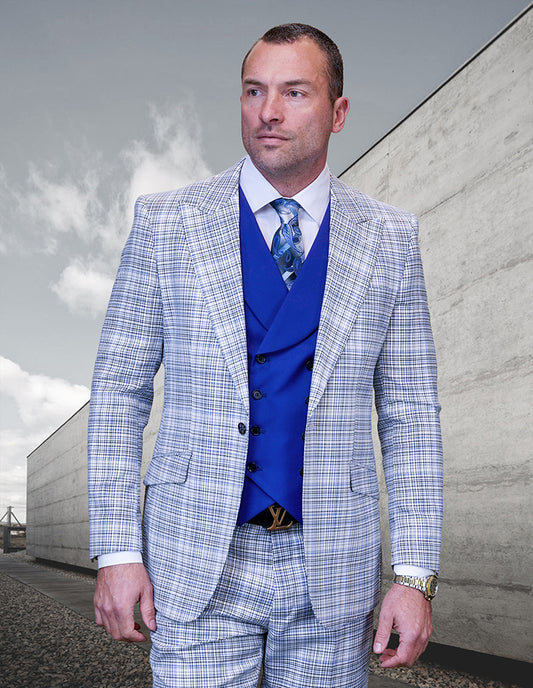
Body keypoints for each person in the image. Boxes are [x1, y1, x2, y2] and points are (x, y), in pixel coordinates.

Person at [88, 23, 443, 688]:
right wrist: (115, 548)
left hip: (332, 568)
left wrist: (415, 574)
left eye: (294, 92)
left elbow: (411, 413)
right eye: (254, 91)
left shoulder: (390, 238)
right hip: (194, 559)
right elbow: (118, 391)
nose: (268, 112)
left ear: (338, 112)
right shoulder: (167, 222)